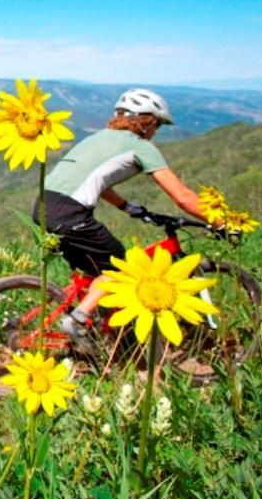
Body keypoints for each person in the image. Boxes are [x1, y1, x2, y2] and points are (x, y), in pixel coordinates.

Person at [35, 88, 206, 353]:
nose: (156, 131)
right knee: (121, 268)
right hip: (70, 213)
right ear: (146, 121)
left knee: (95, 271)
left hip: (44, 206)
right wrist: (219, 221)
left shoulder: (101, 137)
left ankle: (93, 329)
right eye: (157, 124)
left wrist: (127, 207)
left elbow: (95, 180)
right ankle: (77, 320)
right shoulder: (141, 146)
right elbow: (183, 197)